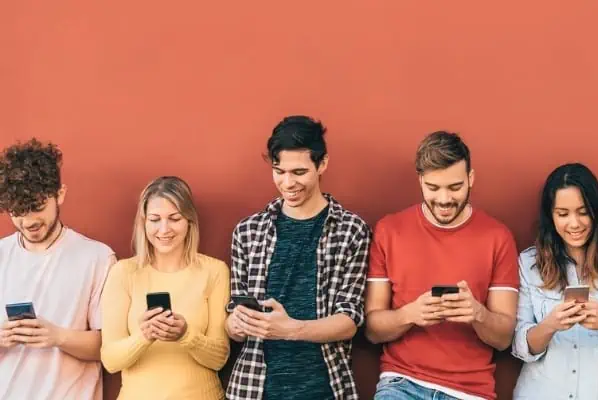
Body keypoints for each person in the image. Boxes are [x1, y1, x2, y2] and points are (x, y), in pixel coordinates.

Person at [224, 115, 371, 400]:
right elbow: (232, 320)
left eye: (299, 172)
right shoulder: (247, 231)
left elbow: (350, 319)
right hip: (253, 389)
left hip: (325, 387)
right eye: (279, 171)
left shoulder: (352, 230)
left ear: (323, 164)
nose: (287, 183)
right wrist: (236, 324)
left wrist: (290, 329)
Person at [364, 131, 519, 400]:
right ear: (420, 180)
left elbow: (504, 338)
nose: (444, 199)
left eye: (455, 187)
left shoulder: (498, 237)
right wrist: (410, 314)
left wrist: (478, 313)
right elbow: (372, 329)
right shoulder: (390, 230)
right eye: (433, 188)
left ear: (471, 178)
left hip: (471, 391)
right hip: (402, 383)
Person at [511, 163, 598, 400]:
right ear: (550, 216)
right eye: (563, 214)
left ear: (596, 212)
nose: (574, 224)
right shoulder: (529, 264)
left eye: (583, 212)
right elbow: (522, 347)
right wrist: (550, 324)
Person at [0, 138, 116, 400]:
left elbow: (108, 348)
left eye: (37, 207)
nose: (28, 221)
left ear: (60, 194)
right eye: (17, 211)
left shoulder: (97, 257)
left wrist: (57, 336)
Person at [100, 176, 230, 399]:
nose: (164, 229)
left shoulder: (215, 271)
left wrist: (186, 334)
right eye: (154, 219)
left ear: (189, 221)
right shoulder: (123, 272)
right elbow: (111, 361)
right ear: (144, 223)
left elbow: (219, 358)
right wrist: (144, 336)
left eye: (174, 218)